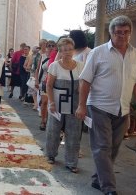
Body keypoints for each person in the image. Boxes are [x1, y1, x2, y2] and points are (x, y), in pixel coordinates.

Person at [75, 15, 136, 195]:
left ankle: (97, 180)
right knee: (102, 147)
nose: (122, 36)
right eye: (118, 32)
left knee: (113, 148)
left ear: (130, 33)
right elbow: (84, 80)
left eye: (125, 32)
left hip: (122, 110)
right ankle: (109, 187)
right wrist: (82, 106)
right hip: (99, 107)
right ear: (111, 33)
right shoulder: (97, 53)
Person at [45, 37, 84, 173]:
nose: (67, 52)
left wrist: (82, 104)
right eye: (64, 50)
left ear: (73, 50)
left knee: (74, 133)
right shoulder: (54, 66)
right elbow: (49, 86)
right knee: (53, 130)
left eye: (70, 49)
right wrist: (51, 103)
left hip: (74, 103)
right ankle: (50, 155)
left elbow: (83, 86)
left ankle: (72, 162)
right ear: (60, 51)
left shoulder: (80, 65)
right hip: (58, 102)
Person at [35, 40, 57, 131]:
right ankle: (43, 121)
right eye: (49, 45)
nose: (51, 47)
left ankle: (49, 120)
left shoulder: (57, 57)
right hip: (44, 82)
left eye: (53, 45)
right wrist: (36, 81)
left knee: (50, 102)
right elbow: (37, 69)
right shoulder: (43, 56)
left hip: (54, 83)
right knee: (44, 102)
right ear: (46, 47)